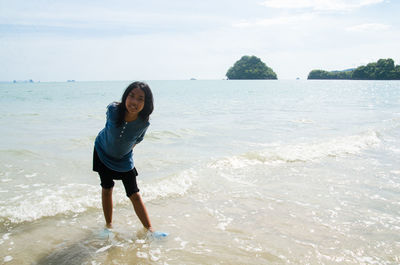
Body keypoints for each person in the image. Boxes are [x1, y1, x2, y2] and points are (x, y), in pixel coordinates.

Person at [93, 81, 154, 232]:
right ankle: (108, 226)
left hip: (124, 159)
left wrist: (123, 151)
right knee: (107, 189)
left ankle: (150, 229)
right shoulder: (113, 110)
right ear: (125, 96)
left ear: (146, 104)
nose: (134, 101)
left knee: (134, 194)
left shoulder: (143, 123)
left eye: (140, 99)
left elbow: (138, 140)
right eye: (131, 96)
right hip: (102, 152)